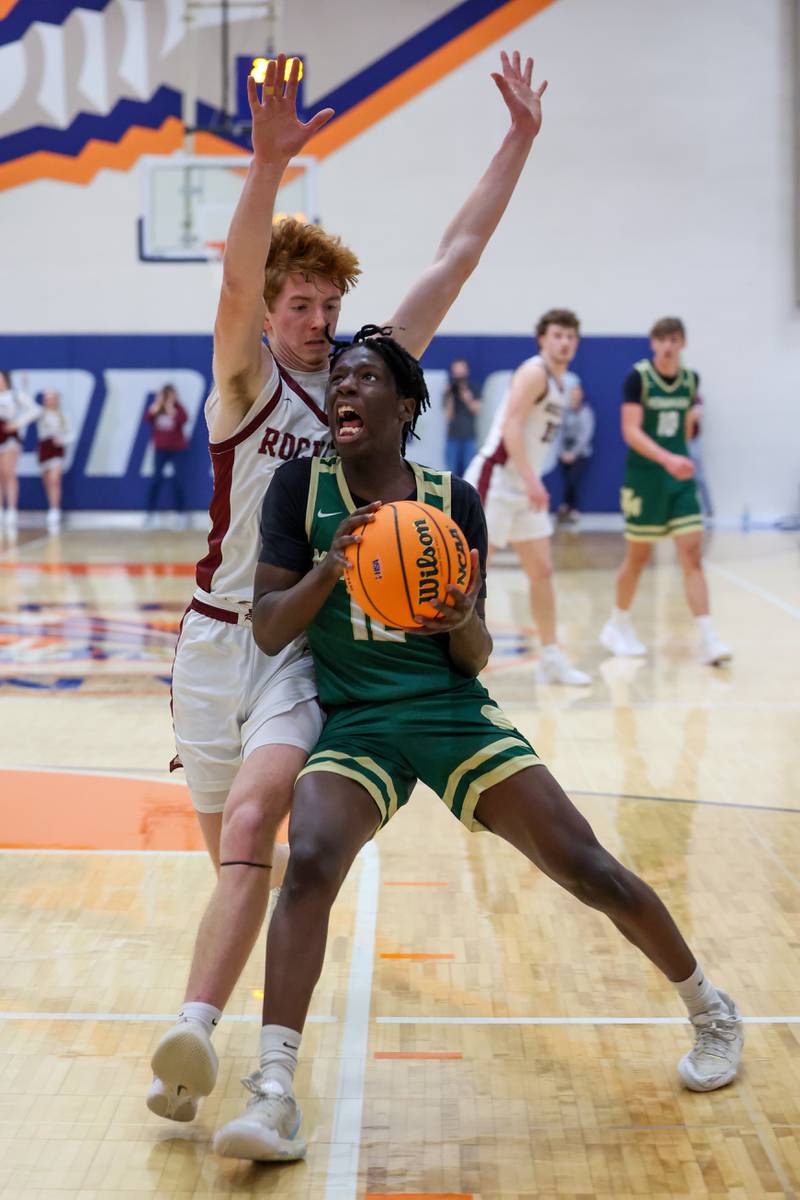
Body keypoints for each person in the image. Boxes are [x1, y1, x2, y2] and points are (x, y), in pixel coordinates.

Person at [211, 329, 743, 1162]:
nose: (345, 389)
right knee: (309, 856)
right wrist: (330, 566)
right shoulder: (296, 488)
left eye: (365, 378)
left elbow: (477, 652)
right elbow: (273, 630)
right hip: (357, 722)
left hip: (450, 707)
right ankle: (273, 1089)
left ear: (406, 404)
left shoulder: (450, 498)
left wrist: (461, 619)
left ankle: (711, 1008)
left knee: (587, 865)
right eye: (339, 378)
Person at [148, 49, 550, 1123]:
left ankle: (200, 1033)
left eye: (330, 304)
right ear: (272, 308)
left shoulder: (358, 380)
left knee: (255, 817)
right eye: (302, 304)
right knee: (234, 864)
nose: (319, 322)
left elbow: (453, 259)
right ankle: (202, 1051)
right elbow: (235, 279)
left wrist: (516, 140)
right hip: (208, 638)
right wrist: (265, 165)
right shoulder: (244, 374)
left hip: (289, 639)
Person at [465, 309, 590, 685]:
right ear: (542, 339)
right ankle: (438, 655)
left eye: (570, 336)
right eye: (557, 334)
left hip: (524, 485)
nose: (564, 342)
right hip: (499, 481)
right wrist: (532, 479)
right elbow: (511, 425)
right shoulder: (534, 372)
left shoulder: (561, 382)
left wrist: (531, 482)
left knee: (543, 572)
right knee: (468, 572)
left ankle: (551, 657)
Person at [599, 317, 730, 665]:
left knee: (692, 555)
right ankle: (617, 622)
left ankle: (708, 637)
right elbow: (631, 431)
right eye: (663, 339)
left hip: (679, 479)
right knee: (638, 557)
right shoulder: (637, 378)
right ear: (653, 343)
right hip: (645, 479)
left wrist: (679, 461)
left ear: (683, 344)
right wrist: (667, 458)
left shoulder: (691, 380)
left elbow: (685, 429)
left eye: (675, 339)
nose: (669, 345)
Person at [0, 370, 40, 534]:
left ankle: (12, 511)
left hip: (9, 438)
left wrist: (17, 423)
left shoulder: (15, 396)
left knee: (9, 473)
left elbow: (35, 410)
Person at [144, 384, 189, 524]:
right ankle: (150, 515)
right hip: (160, 450)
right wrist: (157, 404)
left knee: (179, 481)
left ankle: (180, 515)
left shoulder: (179, 409)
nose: (169, 398)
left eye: (171, 395)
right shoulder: (157, 409)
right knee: (156, 480)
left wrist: (170, 408)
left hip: (177, 450)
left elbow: (182, 420)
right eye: (166, 395)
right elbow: (147, 418)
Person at [557, 374, 594, 522]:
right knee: (566, 481)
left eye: (577, 394)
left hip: (580, 454)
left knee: (574, 481)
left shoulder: (585, 412)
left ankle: (573, 509)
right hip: (564, 452)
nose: (574, 396)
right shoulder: (564, 412)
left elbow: (585, 436)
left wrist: (573, 453)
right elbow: (558, 433)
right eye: (572, 394)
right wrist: (562, 452)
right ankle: (566, 507)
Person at [36, 391, 72, 532]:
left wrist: (62, 440)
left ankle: (55, 510)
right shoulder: (41, 414)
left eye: (51, 398)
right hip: (44, 449)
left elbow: (71, 433)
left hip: (57, 449)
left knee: (54, 480)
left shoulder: (64, 416)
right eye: (46, 399)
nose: (49, 401)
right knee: (47, 482)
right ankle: (51, 506)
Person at [443, 357, 480, 476]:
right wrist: (450, 397)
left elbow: (476, 410)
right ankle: (452, 494)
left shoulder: (473, 388)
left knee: (470, 471)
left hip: (469, 436)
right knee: (450, 472)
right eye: (456, 373)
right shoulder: (449, 391)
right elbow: (448, 416)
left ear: (466, 372)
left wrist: (466, 396)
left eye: (461, 373)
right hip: (453, 437)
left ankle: (467, 494)